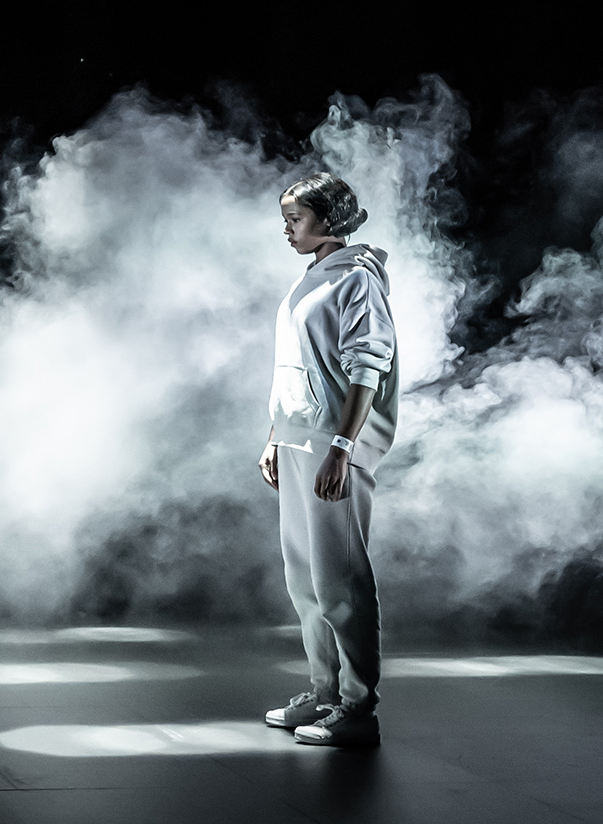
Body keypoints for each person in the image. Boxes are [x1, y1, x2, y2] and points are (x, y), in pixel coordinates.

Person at [257, 172, 397, 748]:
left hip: (331, 448)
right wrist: (275, 433)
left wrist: (342, 447)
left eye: (296, 219)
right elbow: (296, 368)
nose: (286, 229)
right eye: (286, 218)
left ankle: (358, 708)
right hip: (298, 441)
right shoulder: (312, 277)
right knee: (304, 578)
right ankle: (324, 692)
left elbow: (369, 366)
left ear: (330, 221)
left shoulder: (357, 278)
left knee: (340, 579)